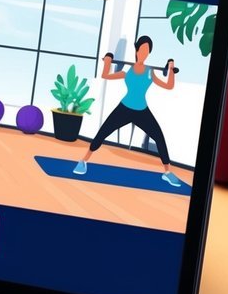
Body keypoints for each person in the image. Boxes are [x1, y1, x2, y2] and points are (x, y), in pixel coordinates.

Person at [73, 37, 182, 188]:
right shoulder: (127, 71)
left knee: (159, 137)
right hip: (124, 108)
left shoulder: (150, 72)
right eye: (142, 50)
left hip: (142, 111)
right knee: (103, 132)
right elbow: (106, 75)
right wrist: (107, 60)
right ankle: (83, 161)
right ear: (136, 51)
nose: (144, 53)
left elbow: (169, 86)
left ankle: (167, 173)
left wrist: (171, 69)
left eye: (147, 51)